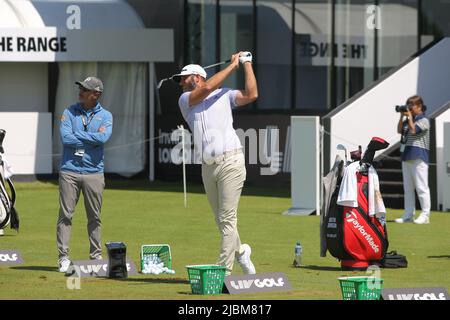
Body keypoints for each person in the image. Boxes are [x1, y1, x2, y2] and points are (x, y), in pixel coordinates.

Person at [174, 51, 258, 276]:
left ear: (198, 76)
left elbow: (252, 94)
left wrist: (247, 63)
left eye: (184, 77)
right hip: (208, 166)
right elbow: (207, 89)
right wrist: (233, 66)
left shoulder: (225, 94)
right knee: (221, 220)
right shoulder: (185, 100)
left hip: (231, 160)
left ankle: (224, 272)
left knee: (227, 218)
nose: (181, 82)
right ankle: (241, 252)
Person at [57, 76, 113, 272]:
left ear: (96, 94)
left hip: (94, 172)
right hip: (69, 171)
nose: (80, 91)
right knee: (65, 215)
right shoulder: (69, 111)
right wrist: (92, 139)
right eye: (81, 88)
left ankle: (95, 257)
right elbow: (66, 138)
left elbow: (103, 138)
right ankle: (63, 257)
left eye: (85, 89)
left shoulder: (106, 116)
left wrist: (78, 134)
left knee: (94, 217)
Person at [395, 95, 431, 224]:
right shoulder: (409, 119)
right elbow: (399, 130)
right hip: (407, 156)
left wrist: (409, 116)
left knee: (422, 187)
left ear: (419, 106)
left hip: (419, 157)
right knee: (408, 188)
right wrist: (401, 116)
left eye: (412, 106)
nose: (409, 108)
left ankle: (425, 215)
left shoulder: (424, 120)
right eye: (408, 106)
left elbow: (414, 130)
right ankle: (408, 214)